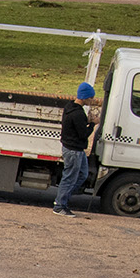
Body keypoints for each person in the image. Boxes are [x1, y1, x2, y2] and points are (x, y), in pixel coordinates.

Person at [55, 82, 97, 215]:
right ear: (85, 97)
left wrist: (88, 122)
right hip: (74, 150)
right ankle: (60, 205)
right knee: (70, 177)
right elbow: (83, 134)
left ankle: (63, 200)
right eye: (90, 98)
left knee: (81, 174)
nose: (92, 100)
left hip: (73, 148)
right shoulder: (78, 114)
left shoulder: (70, 107)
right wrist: (93, 125)